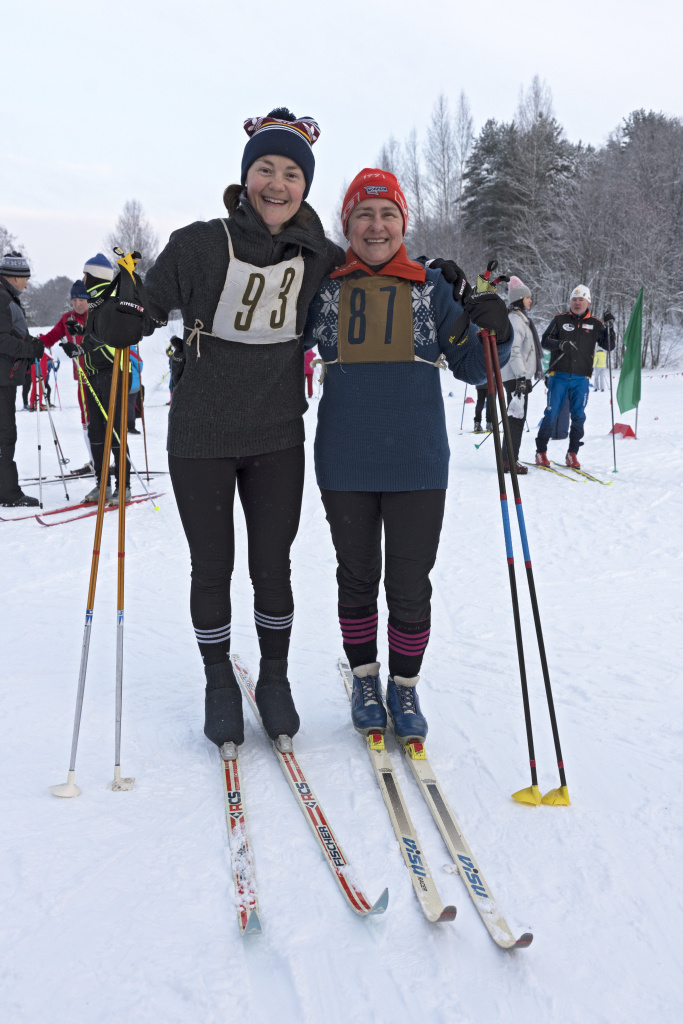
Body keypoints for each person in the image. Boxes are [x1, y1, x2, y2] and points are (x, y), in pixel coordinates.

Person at [90, 108, 346, 748]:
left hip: (278, 435)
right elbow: (143, 306)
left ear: (305, 187)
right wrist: (115, 318)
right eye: (266, 169)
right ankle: (217, 681)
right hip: (202, 437)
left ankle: (276, 679)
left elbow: (382, 268)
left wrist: (448, 288)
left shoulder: (320, 255)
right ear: (245, 176)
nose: (277, 184)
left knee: (272, 566)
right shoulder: (199, 243)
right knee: (212, 566)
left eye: (292, 173)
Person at [304, 168, 512, 744]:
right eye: (364, 215)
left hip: (417, 461)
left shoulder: (432, 285)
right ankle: (365, 679)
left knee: (410, 582)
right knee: (357, 576)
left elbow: (474, 366)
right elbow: (277, 348)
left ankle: (405, 683)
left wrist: (495, 326)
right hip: (345, 459)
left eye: (387, 214)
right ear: (347, 223)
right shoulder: (324, 286)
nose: (376, 225)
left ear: (403, 223)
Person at [535, 286, 615, 468]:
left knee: (579, 416)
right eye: (574, 300)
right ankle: (541, 452)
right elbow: (545, 340)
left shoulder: (596, 324)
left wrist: (610, 327)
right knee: (551, 414)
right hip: (559, 377)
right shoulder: (559, 320)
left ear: (588, 302)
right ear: (570, 302)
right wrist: (561, 344)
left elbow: (609, 345)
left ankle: (572, 454)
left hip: (581, 379)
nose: (577, 303)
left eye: (581, 300)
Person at [74, 253, 132, 502]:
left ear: (94, 276)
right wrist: (81, 338)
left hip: (113, 374)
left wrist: (84, 348)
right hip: (92, 375)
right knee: (96, 433)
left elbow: (113, 346)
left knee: (115, 431)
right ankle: (103, 485)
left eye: (85, 274)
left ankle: (124, 487)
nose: (82, 279)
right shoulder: (96, 302)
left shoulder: (109, 301)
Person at [0, 252, 44, 507]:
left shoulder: (7, 297)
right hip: (2, 379)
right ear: (14, 277)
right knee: (5, 435)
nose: (26, 284)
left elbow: (10, 333)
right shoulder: (3, 298)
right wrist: (30, 350)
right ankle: (8, 493)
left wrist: (29, 342)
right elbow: (3, 340)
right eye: (25, 278)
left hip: (6, 376)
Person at [39, 280, 93, 472]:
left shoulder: (95, 316)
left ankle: (111, 460)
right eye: (75, 299)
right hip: (81, 377)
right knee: (86, 418)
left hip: (100, 375)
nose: (79, 303)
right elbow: (51, 337)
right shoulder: (67, 318)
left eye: (83, 299)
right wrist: (34, 343)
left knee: (102, 419)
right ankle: (95, 460)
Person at [500, 276, 544, 474]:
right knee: (516, 419)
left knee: (515, 418)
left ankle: (508, 458)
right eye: (528, 297)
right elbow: (514, 350)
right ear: (520, 298)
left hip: (518, 376)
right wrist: (520, 378)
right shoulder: (516, 320)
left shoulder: (519, 319)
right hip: (515, 377)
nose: (530, 301)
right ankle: (509, 460)